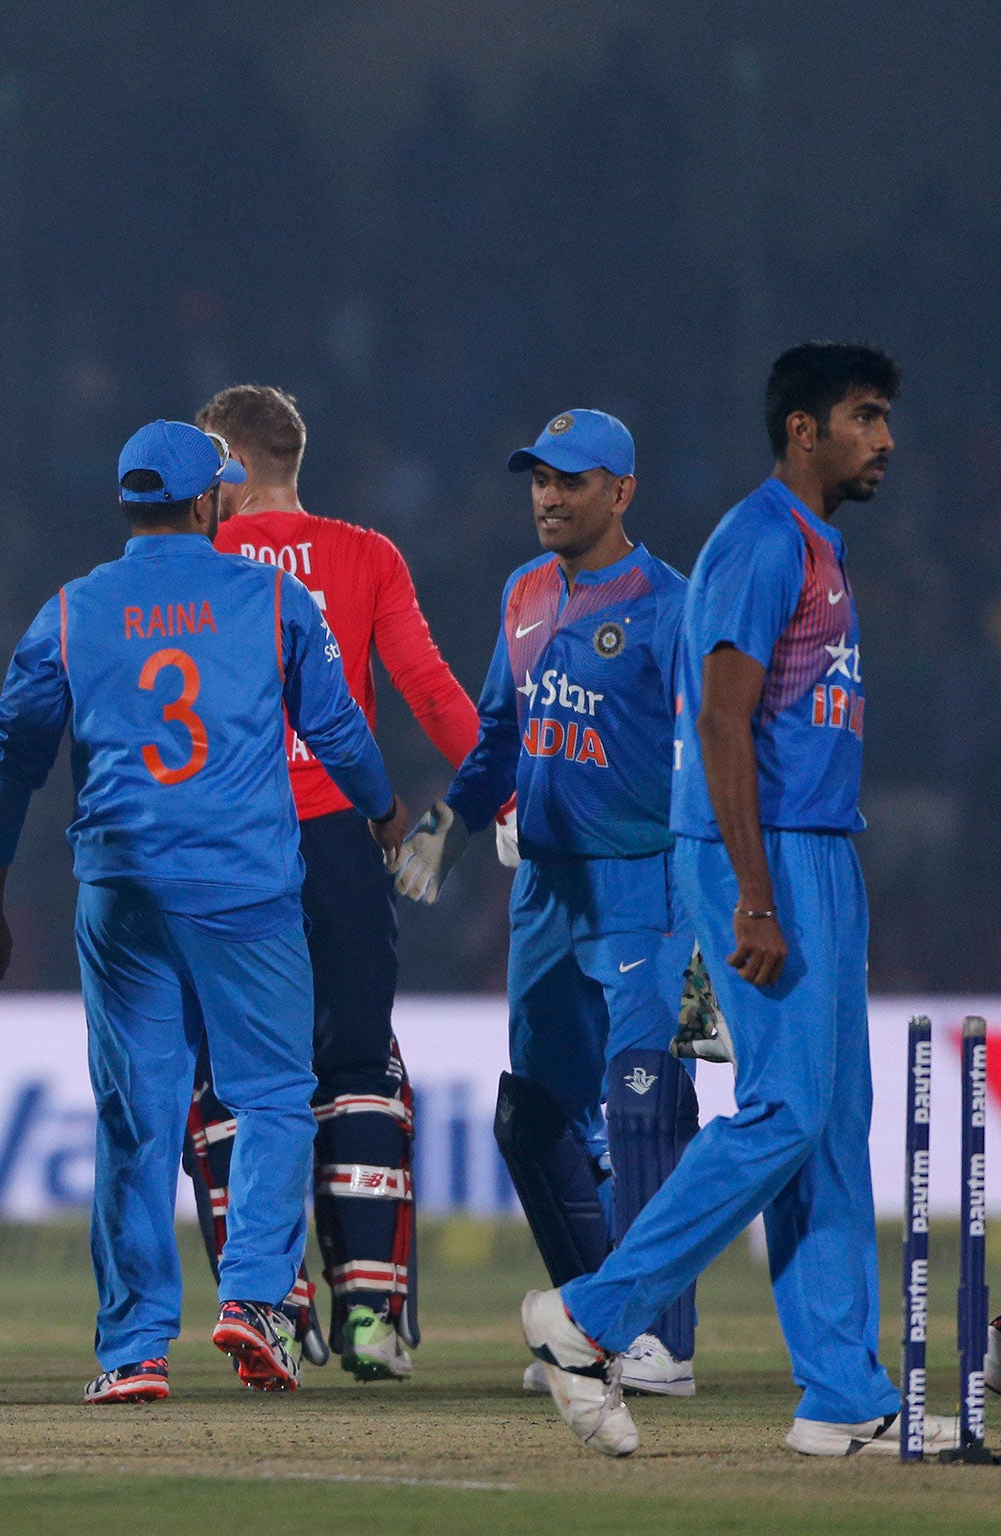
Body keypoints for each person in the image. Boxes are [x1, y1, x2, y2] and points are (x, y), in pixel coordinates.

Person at [521, 344, 929, 1458]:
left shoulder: (815, 545)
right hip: (765, 853)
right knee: (782, 1112)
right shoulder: (757, 539)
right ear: (802, 430)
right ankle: (588, 1318)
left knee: (831, 1125)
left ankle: (840, 1396)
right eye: (864, 416)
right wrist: (752, 894)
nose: (883, 438)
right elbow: (718, 722)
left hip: (817, 848)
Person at [0, 419, 408, 1404]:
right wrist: (381, 810)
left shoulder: (70, 612)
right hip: (241, 887)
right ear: (211, 501)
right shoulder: (272, 599)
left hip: (119, 890)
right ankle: (251, 1297)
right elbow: (335, 727)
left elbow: (11, 762)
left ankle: (130, 1351)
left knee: (135, 1117)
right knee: (274, 1097)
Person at [390, 409, 699, 1396]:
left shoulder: (668, 606)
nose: (547, 496)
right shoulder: (522, 593)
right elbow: (497, 738)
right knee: (533, 1116)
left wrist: (728, 887)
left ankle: (663, 1341)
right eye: (537, 479)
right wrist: (447, 824)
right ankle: (590, 1328)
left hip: (641, 883)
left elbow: (717, 753)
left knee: (644, 1102)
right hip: (545, 892)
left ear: (621, 491)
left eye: (569, 480)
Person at [186, 384, 478, 1380]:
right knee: (357, 1071)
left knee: (231, 1080)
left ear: (225, 464)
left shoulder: (196, 561)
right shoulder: (366, 555)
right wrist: (504, 795)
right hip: (336, 843)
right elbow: (430, 690)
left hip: (225, 848)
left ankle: (275, 1311)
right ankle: (370, 1316)